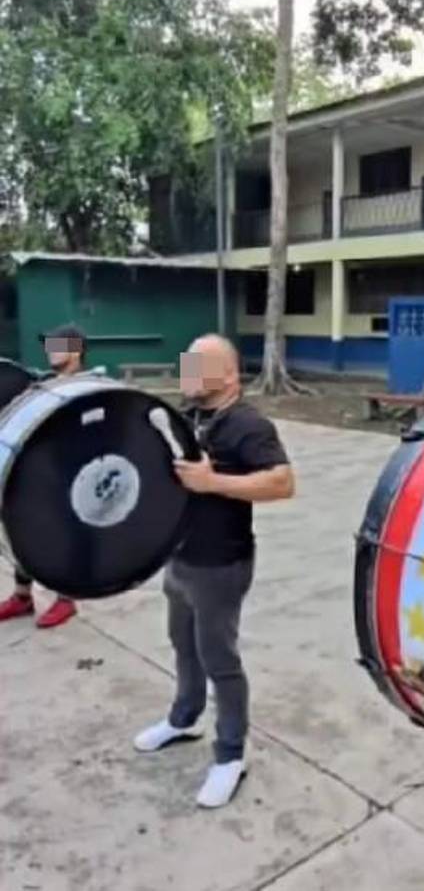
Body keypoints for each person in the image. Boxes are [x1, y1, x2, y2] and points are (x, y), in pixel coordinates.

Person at [133, 334, 294, 809]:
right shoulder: (188, 417)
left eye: (198, 365)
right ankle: (184, 719)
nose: (188, 372)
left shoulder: (248, 424)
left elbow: (282, 483)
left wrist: (213, 482)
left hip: (221, 564)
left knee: (219, 659)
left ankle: (230, 754)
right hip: (180, 557)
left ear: (228, 374)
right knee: (183, 645)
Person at [0, 323, 91, 628]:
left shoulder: (91, 387)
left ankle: (66, 599)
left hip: (71, 473)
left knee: (64, 535)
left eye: (58, 345)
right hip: (34, 469)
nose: (51, 351)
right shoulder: (41, 383)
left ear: (76, 351)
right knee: (22, 531)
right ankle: (22, 596)